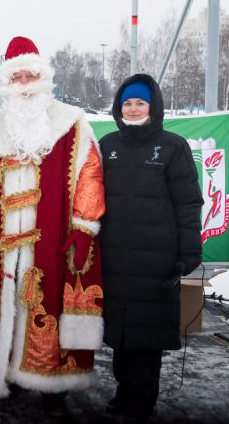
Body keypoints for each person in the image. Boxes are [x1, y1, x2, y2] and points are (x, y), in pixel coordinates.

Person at [0, 36, 105, 407]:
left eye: (30, 76)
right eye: (17, 77)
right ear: (6, 84)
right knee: (6, 304)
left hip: (53, 239)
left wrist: (83, 228)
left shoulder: (70, 124)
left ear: (43, 79)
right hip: (2, 244)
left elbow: (89, 174)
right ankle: (11, 374)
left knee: (50, 301)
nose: (24, 84)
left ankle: (52, 383)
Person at [99, 74, 202, 419]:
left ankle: (141, 404)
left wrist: (189, 253)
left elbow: (188, 203)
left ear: (153, 106)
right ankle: (124, 395)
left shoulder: (172, 147)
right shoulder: (107, 145)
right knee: (120, 334)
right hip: (115, 258)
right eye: (127, 103)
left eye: (140, 103)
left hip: (156, 260)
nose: (132, 109)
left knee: (146, 338)